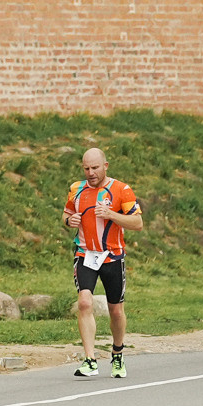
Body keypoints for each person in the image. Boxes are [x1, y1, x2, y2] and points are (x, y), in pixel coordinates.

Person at [64, 148, 144, 378]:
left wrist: (111, 215)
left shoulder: (121, 189)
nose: (90, 173)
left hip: (113, 256)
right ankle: (90, 360)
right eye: (86, 168)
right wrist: (70, 220)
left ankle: (117, 354)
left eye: (95, 168)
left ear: (106, 166)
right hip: (85, 254)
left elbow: (137, 223)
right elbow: (66, 214)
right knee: (84, 303)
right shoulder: (76, 189)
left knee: (116, 311)